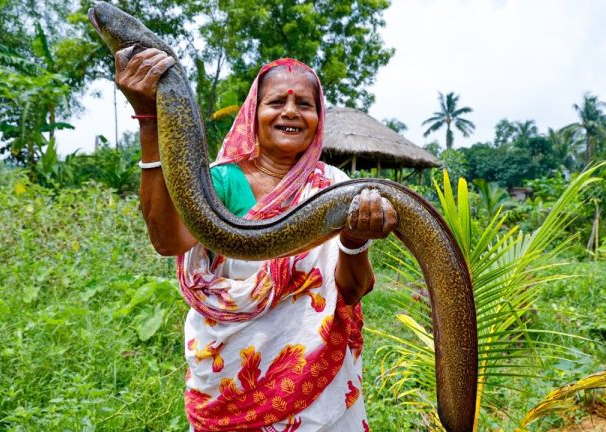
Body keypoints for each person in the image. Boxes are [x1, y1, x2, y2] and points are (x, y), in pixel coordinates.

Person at [114, 48, 398, 431]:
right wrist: (150, 121)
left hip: (314, 390)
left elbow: (352, 291)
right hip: (231, 379)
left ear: (319, 117)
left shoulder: (335, 188)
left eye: (305, 104)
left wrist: (353, 241)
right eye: (276, 101)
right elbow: (167, 241)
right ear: (253, 112)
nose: (291, 112)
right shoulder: (219, 182)